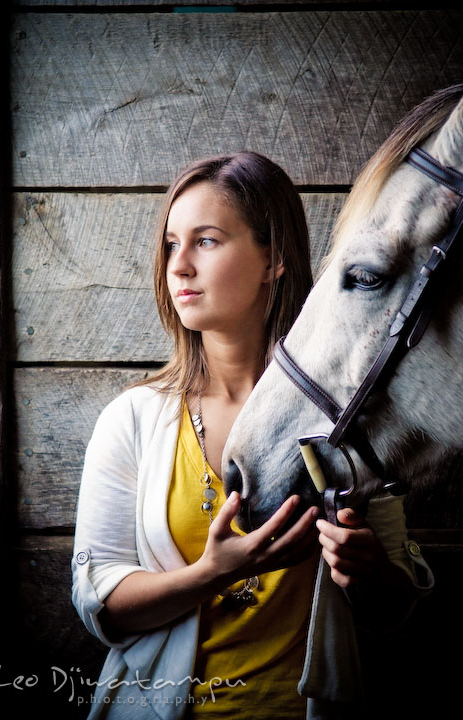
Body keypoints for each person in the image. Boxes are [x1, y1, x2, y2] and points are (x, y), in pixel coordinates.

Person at [71, 151, 431, 720]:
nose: (179, 265)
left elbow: (396, 608)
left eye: (206, 241)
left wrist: (369, 572)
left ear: (274, 260)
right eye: (171, 244)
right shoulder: (132, 420)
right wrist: (215, 573)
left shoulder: (347, 413)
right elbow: (102, 607)